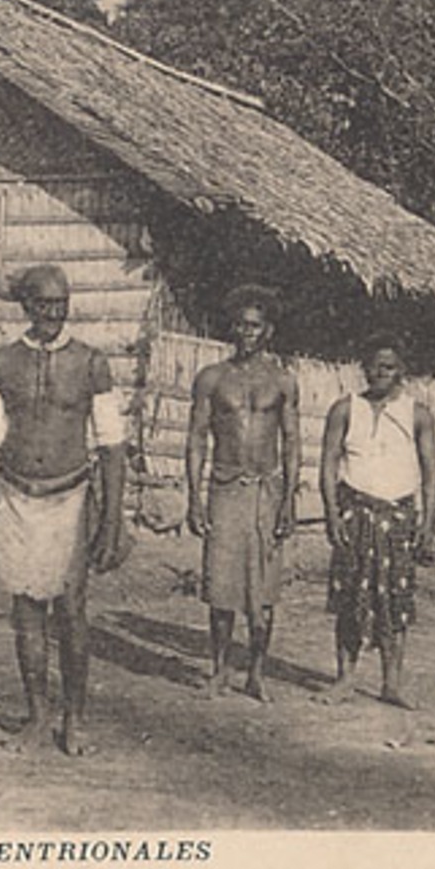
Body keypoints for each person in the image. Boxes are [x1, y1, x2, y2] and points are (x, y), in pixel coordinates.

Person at [0, 264, 128, 756]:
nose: (53, 313)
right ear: (26, 306)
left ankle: (74, 719)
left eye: (61, 303)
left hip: (71, 499)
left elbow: (112, 446)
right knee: (26, 612)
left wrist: (112, 521)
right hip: (14, 496)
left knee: (71, 612)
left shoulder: (92, 363)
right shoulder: (2, 363)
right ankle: (36, 718)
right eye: (43, 304)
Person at [185, 285, 301, 703]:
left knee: (264, 594)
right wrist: (194, 499)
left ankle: (256, 673)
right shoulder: (212, 379)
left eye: (254, 326)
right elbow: (197, 438)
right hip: (226, 488)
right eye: (240, 325)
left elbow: (291, 442)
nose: (246, 333)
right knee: (221, 588)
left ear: (267, 330)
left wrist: (289, 500)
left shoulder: (283, 382)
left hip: (266, 490)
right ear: (232, 328)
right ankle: (219, 671)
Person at [317, 333, 435, 710]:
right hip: (354, 514)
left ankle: (392, 684)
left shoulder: (417, 414)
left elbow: (431, 473)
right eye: (373, 366)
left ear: (401, 370)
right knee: (349, 597)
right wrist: (332, 515)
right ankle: (345, 680)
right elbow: (327, 465)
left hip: (397, 517)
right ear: (363, 368)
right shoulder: (344, 409)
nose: (380, 373)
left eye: (388, 367)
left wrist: (428, 522)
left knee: (395, 602)